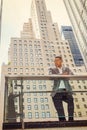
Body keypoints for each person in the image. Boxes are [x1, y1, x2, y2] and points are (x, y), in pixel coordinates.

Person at [49, 56, 74, 121]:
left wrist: (63, 75)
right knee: (59, 108)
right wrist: (62, 75)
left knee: (71, 102)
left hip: (66, 90)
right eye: (55, 61)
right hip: (57, 91)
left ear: (61, 61)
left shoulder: (66, 68)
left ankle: (71, 119)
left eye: (57, 60)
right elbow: (50, 76)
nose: (55, 62)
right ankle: (62, 121)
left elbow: (72, 74)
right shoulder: (52, 69)